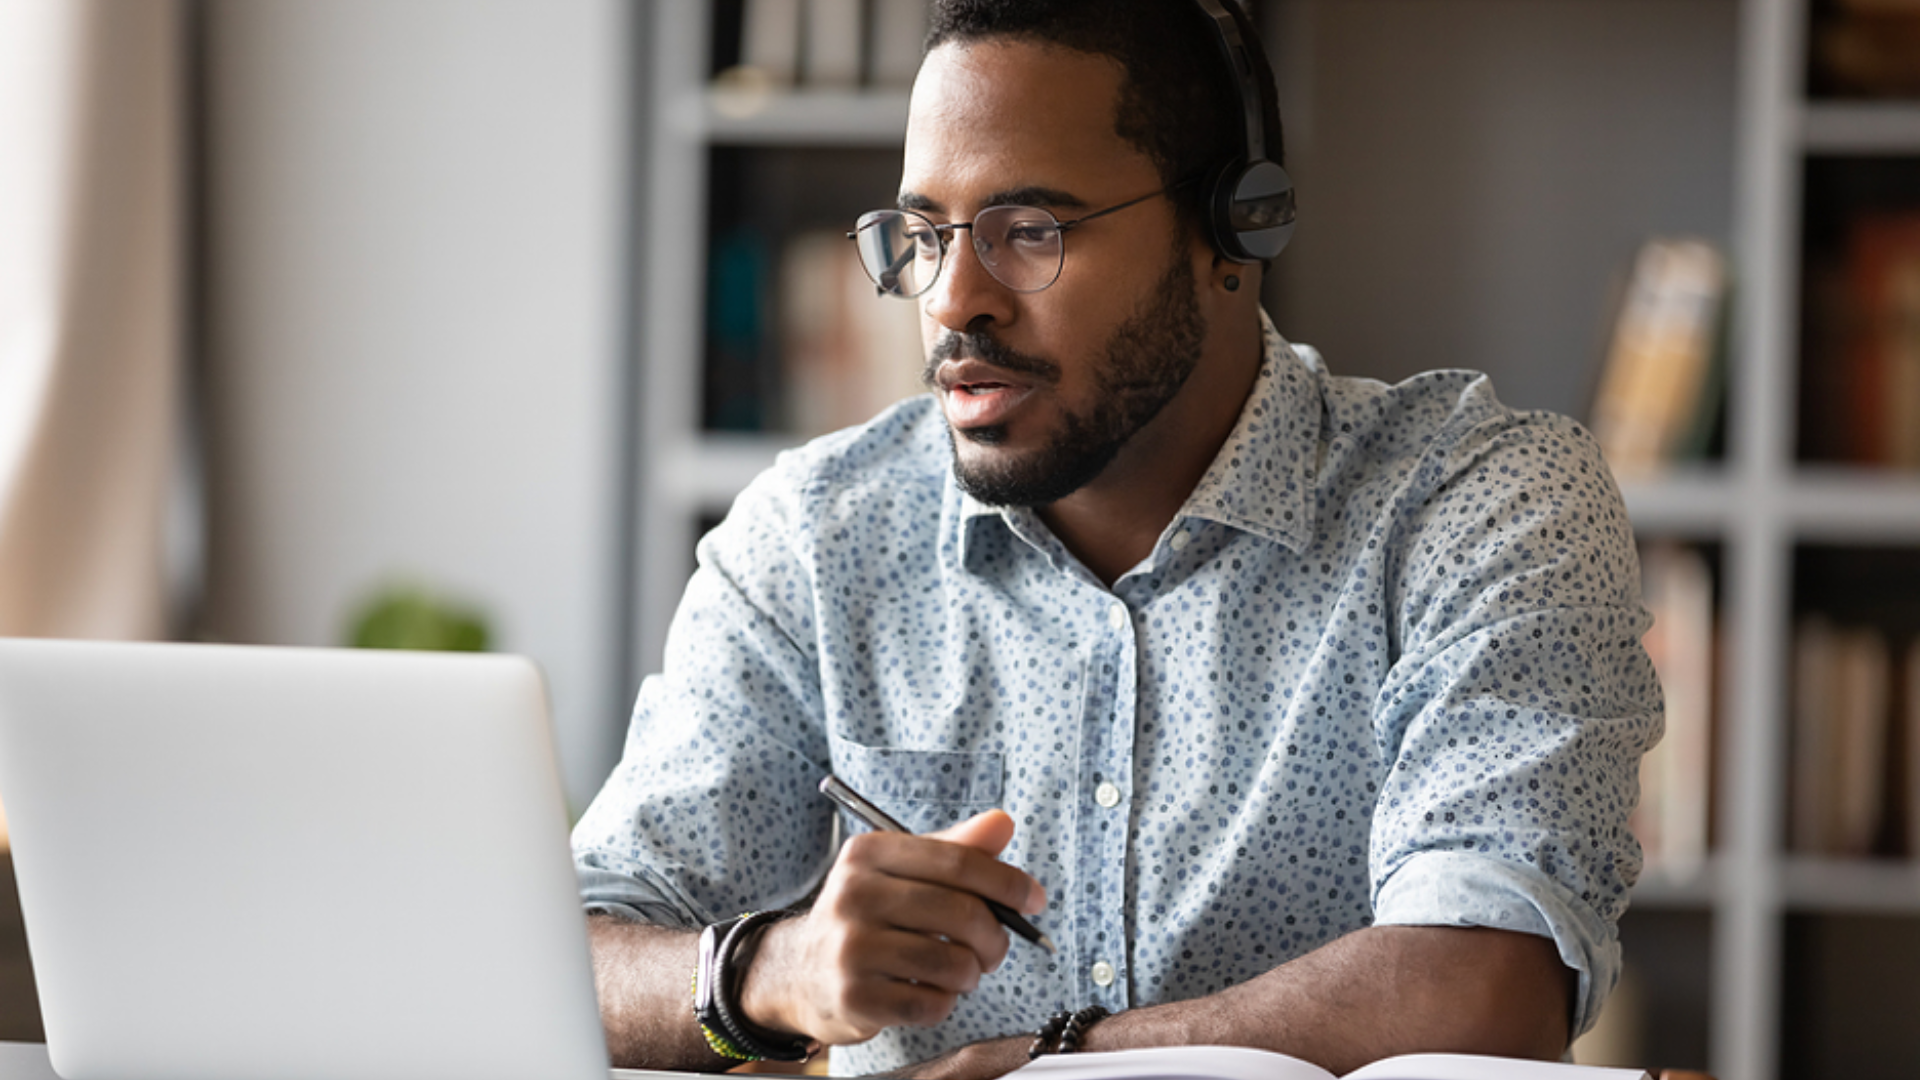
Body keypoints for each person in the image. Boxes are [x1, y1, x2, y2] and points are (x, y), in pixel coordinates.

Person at [571, 1, 1661, 1077]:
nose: (955, 301)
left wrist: (1047, 1064)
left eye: (1029, 232)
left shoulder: (1475, 503)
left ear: (1237, 229)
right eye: (924, 235)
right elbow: (571, 953)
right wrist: (766, 972)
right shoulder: (819, 539)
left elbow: (1484, 983)